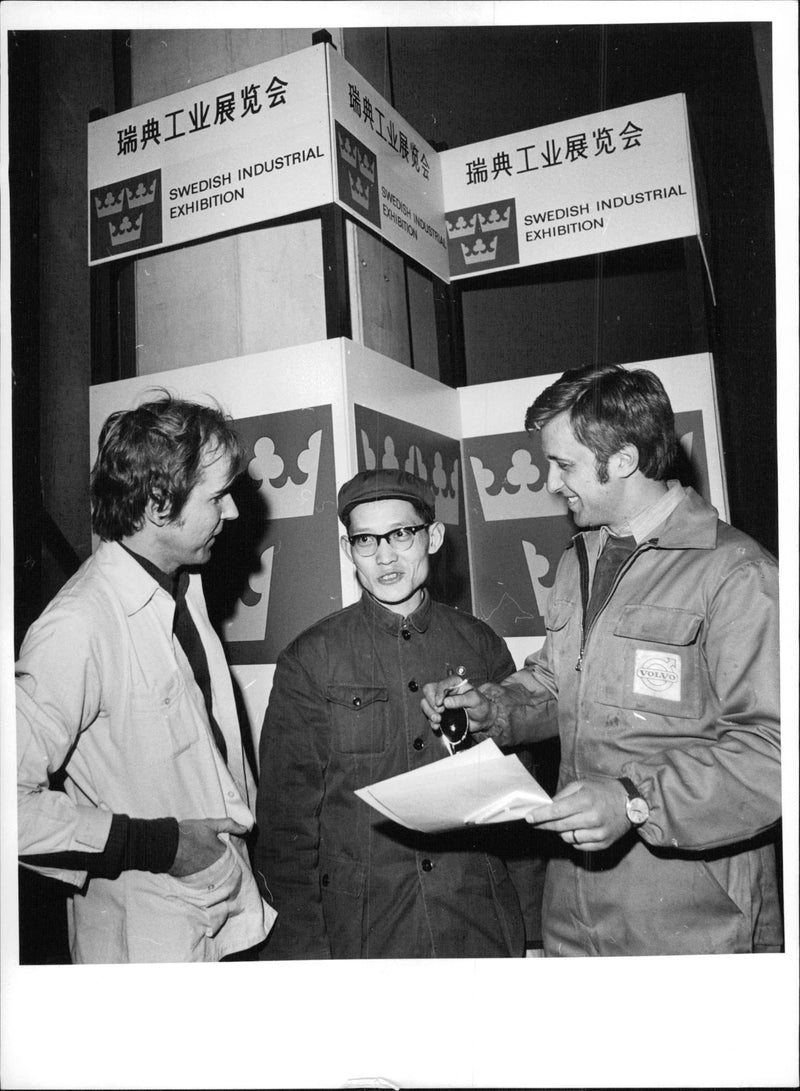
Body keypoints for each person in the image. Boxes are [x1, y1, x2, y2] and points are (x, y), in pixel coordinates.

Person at [423, 364, 782, 957]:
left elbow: (773, 754)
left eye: (563, 465)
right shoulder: (580, 558)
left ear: (622, 461)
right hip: (576, 901)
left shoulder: (737, 574)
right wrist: (495, 708)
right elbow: (560, 682)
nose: (550, 481)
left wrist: (634, 800)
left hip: (694, 914)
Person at [16, 394, 276, 963]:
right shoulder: (78, 625)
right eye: (217, 497)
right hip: (146, 944)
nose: (232, 513)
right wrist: (159, 844)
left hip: (220, 918)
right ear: (159, 502)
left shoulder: (183, 589)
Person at [255, 468, 528, 959]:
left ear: (434, 537)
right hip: (364, 935)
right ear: (347, 549)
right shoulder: (310, 659)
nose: (384, 556)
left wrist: (530, 935)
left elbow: (520, 800)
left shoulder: (481, 645)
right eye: (365, 540)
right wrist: (302, 959)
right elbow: (286, 832)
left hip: (476, 925)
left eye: (401, 534)